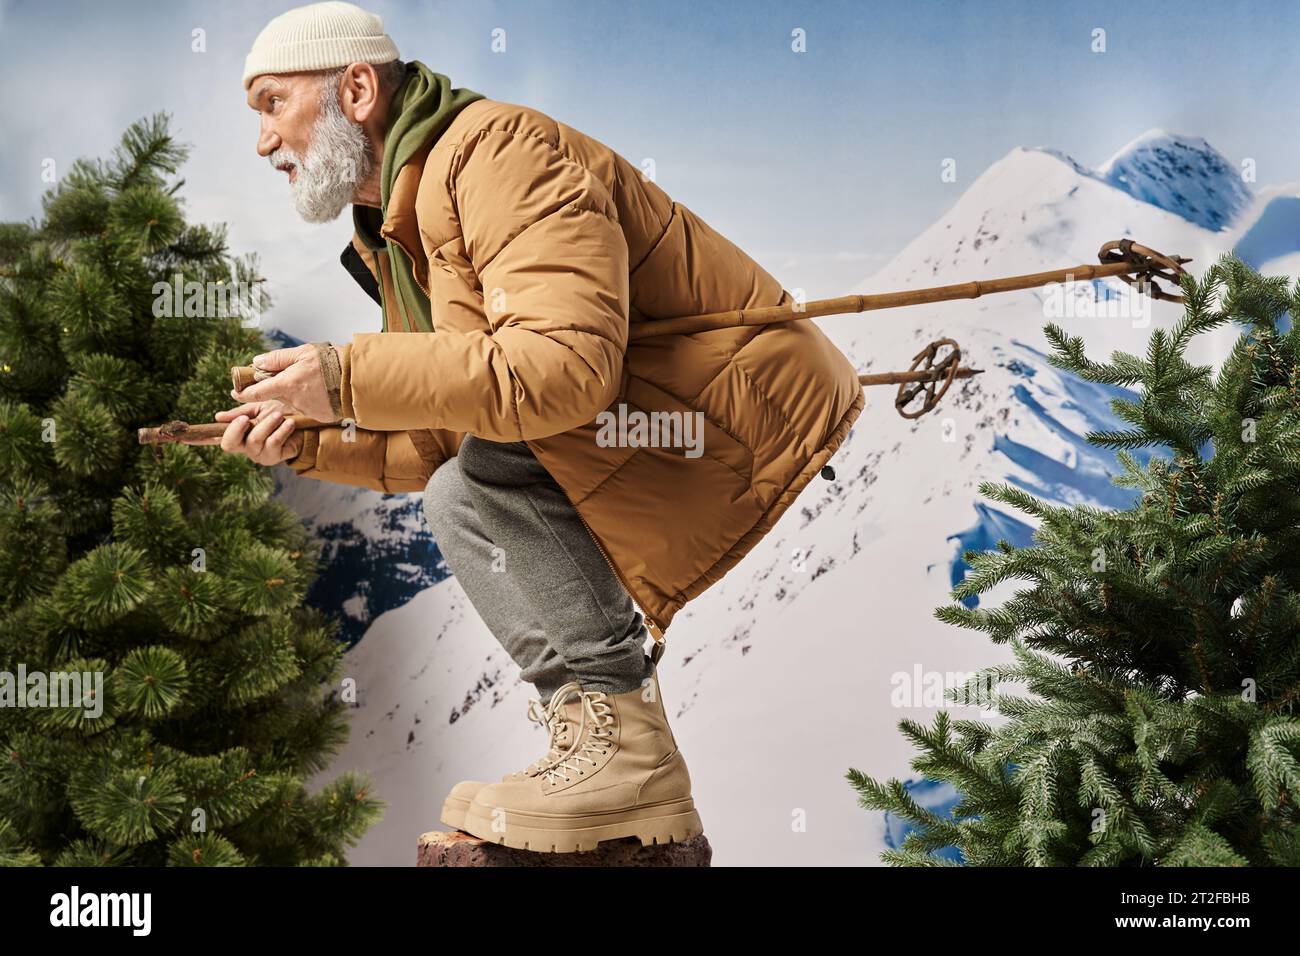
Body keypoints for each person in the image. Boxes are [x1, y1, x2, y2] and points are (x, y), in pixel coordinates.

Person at [207, 0, 864, 853]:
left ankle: (630, 752)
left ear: (357, 88)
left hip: (732, 418)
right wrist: (312, 438)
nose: (264, 143)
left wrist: (346, 376)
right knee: (458, 491)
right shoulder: (401, 222)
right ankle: (598, 738)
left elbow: (562, 371)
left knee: (481, 479)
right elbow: (457, 426)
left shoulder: (496, 155)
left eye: (271, 104)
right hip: (661, 420)